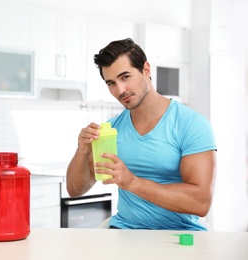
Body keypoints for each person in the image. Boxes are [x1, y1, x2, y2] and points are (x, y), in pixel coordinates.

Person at [66, 38, 217, 230]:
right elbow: (75, 190)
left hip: (178, 236)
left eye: (125, 77)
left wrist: (132, 182)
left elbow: (201, 203)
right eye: (111, 83)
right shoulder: (112, 130)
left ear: (146, 69)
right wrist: (82, 152)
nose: (120, 90)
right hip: (124, 233)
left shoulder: (191, 124)